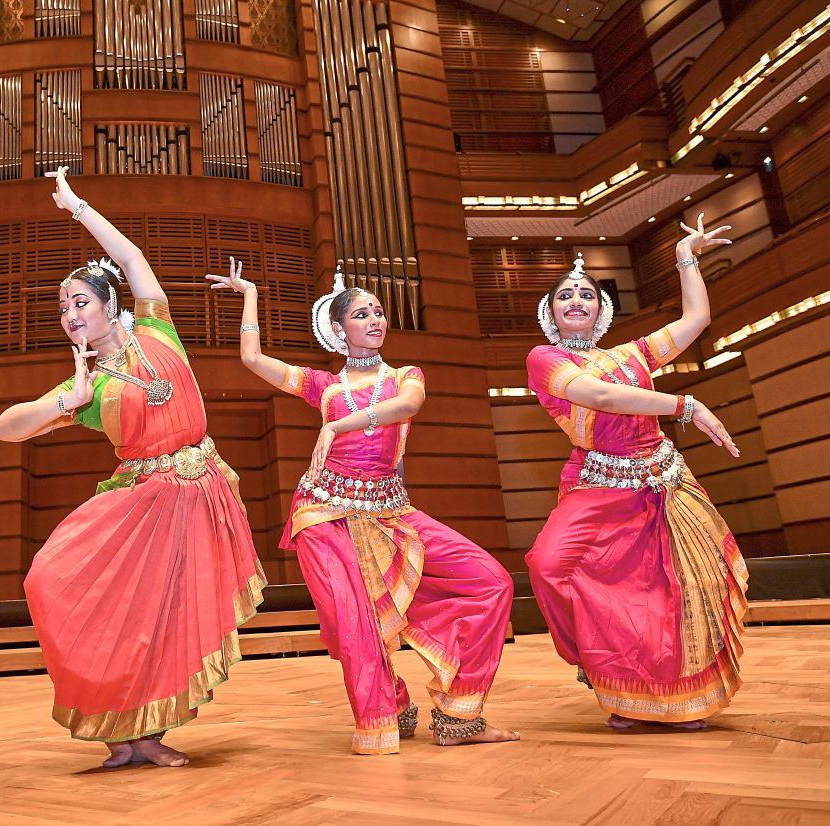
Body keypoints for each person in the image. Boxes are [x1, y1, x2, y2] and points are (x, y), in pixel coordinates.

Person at [0, 167, 265, 768]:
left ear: (111, 305)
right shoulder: (86, 386)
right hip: (141, 502)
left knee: (167, 618)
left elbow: (133, 254)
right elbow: (3, 427)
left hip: (199, 494)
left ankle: (149, 734)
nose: (68, 313)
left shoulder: (155, 326)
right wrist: (65, 400)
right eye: (62, 306)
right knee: (50, 580)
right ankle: (119, 727)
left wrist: (77, 207)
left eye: (79, 300)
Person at [208, 259, 518, 753]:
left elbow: (408, 407)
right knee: (353, 618)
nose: (376, 320)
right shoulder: (322, 385)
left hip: (389, 510)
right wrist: (249, 295)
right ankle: (385, 711)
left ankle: (459, 715)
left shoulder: (406, 375)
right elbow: (253, 360)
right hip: (324, 513)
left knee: (491, 581)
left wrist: (338, 426)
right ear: (338, 329)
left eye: (378, 311)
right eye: (362, 314)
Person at [525, 214, 747, 730]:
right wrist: (684, 404)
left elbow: (695, 320)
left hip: (662, 480)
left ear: (601, 311)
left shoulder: (634, 354)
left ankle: (671, 697)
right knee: (548, 565)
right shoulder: (545, 359)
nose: (577, 300)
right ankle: (597, 664)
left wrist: (685, 258)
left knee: (666, 589)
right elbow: (598, 396)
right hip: (597, 484)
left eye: (587, 294)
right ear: (552, 313)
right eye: (565, 296)